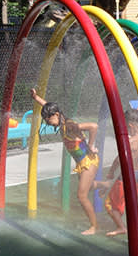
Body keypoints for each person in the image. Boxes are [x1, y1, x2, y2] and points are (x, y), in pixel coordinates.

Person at [30, 88, 99, 235]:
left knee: (81, 195)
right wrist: (36, 98)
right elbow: (48, 105)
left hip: (88, 161)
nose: (48, 123)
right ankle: (105, 184)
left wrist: (92, 145)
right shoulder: (60, 122)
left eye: (48, 119)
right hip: (81, 163)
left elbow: (94, 126)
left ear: (56, 115)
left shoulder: (70, 126)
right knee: (89, 186)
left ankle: (93, 227)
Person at [95, 109, 138, 237]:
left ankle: (121, 227)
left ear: (131, 125)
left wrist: (111, 172)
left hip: (127, 177)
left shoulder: (131, 142)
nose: (126, 131)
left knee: (109, 204)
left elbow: (119, 159)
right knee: (133, 205)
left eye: (127, 127)